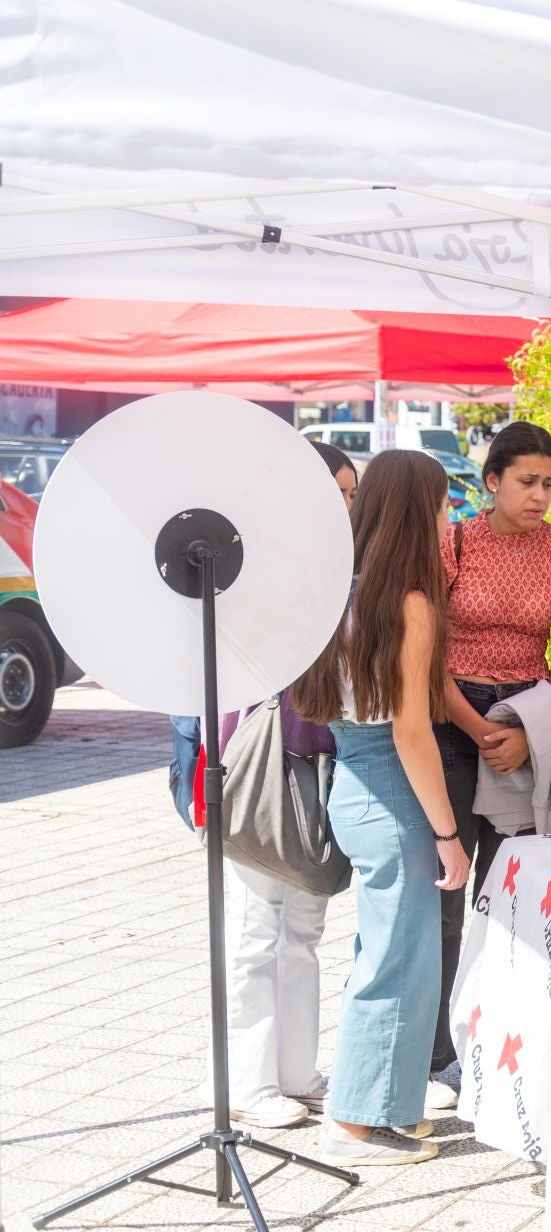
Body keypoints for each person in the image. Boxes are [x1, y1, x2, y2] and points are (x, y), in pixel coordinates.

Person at [291, 450, 470, 1166]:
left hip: (351, 776)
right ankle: (358, 1121)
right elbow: (412, 730)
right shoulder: (409, 602)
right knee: (399, 960)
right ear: (413, 513)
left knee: (388, 954)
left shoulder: (336, 589)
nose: (445, 516)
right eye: (438, 504)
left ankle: (379, 1109)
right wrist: (449, 834)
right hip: (391, 785)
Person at [191, 440, 357, 1130]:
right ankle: (241, 1084)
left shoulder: (335, 567)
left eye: (353, 495)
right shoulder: (258, 566)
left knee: (305, 923)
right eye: (340, 493)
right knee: (258, 926)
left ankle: (293, 1072)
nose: (349, 505)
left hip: (317, 756)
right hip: (259, 757)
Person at [430, 422, 551, 1101]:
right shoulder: (451, 544)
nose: (540, 496)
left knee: (511, 890)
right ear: (491, 481)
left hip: (528, 721)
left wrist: (525, 733)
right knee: (444, 886)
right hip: (448, 719)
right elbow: (425, 653)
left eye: (549, 484)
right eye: (527, 482)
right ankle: (435, 1051)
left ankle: (502, 1042)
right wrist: (475, 726)